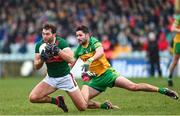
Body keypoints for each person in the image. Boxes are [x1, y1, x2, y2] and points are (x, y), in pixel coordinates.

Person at [74, 25, 179, 109]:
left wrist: (89, 60)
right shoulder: (78, 50)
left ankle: (163, 90)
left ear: (87, 35)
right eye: (77, 36)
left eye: (80, 35)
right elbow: (71, 63)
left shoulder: (93, 41)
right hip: (96, 79)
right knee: (82, 103)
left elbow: (100, 52)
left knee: (134, 87)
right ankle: (104, 106)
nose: (78, 38)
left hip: (108, 74)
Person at [29, 23, 87, 112]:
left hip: (65, 78)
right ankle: (57, 101)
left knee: (82, 108)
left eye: (47, 34)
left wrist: (58, 51)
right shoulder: (39, 45)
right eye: (43, 33)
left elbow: (71, 59)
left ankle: (92, 99)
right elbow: (36, 66)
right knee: (33, 98)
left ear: (54, 35)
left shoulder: (61, 43)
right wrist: (42, 60)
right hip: (51, 79)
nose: (44, 36)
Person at [168, 11, 180, 87]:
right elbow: (172, 28)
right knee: (175, 61)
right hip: (178, 42)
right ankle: (170, 77)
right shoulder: (178, 18)